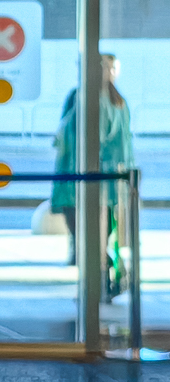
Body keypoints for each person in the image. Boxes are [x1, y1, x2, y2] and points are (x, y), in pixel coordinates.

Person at [52, 54, 135, 301]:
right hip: (110, 181)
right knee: (102, 234)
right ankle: (104, 278)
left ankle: (98, 283)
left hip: (84, 178)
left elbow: (84, 140)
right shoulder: (118, 100)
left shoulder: (86, 98)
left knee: (86, 235)